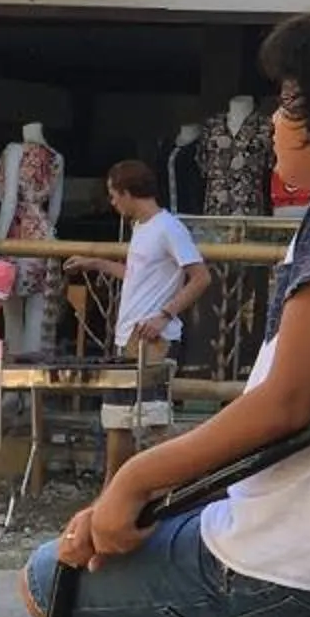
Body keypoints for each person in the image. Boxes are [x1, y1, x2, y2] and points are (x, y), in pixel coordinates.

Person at [22, 11, 310, 617]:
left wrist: (134, 477)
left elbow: (291, 400)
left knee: (47, 578)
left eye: (287, 102)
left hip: (301, 556)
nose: (274, 120)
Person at [67, 160, 211, 477]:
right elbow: (136, 276)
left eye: (114, 195)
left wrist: (164, 315)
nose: (113, 202)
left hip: (153, 337)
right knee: (118, 418)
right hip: (128, 335)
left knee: (153, 421)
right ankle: (113, 490)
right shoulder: (141, 228)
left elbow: (200, 277)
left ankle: (174, 483)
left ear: (129, 192)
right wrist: (96, 263)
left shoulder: (169, 228)